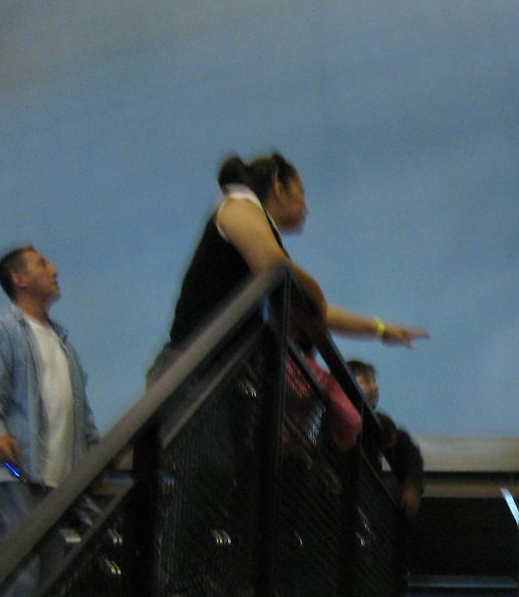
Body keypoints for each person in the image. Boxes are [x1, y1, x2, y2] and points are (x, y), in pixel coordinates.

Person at [168, 152, 426, 351]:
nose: (306, 207)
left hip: (212, 367)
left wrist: (379, 329)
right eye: (301, 192)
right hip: (186, 370)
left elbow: (316, 311)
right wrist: (313, 295)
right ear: (278, 188)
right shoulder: (238, 203)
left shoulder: (265, 241)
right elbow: (280, 270)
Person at [0, 245, 98, 597]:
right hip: (17, 473)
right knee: (21, 570)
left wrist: (97, 454)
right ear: (19, 278)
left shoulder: (64, 346)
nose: (53, 269)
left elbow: (81, 412)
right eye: (42, 264)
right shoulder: (5, 332)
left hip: (57, 479)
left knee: (51, 572)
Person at [346, 360, 424, 517]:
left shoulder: (378, 423)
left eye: (374, 381)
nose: (375, 387)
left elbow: (406, 448)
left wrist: (412, 487)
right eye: (366, 381)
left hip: (364, 496)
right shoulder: (336, 415)